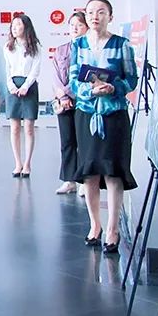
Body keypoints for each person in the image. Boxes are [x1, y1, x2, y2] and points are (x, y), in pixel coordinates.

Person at [70, 0, 138, 255]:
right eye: (90, 12)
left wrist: (113, 88)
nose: (94, 17)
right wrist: (89, 91)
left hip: (114, 115)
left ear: (110, 16)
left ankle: (112, 229)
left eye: (100, 12)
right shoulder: (78, 45)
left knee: (112, 171)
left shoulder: (122, 45)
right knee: (89, 172)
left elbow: (131, 79)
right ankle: (94, 225)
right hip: (87, 114)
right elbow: (73, 79)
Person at [52, 12, 88, 195]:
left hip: (83, 101)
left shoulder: (90, 50)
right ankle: (69, 180)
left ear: (86, 27)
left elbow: (86, 76)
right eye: (72, 24)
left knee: (83, 142)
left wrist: (68, 93)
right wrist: (63, 96)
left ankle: (84, 182)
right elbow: (56, 76)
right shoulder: (61, 50)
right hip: (63, 103)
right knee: (67, 142)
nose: (75, 28)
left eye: (79, 24)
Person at [4, 14, 42, 178]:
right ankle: (18, 163)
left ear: (26, 27)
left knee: (28, 128)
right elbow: (6, 69)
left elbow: (35, 70)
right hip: (13, 87)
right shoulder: (8, 47)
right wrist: (12, 87)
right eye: (13, 25)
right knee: (14, 128)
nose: (14, 28)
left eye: (18, 24)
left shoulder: (35, 47)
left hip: (29, 87)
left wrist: (26, 86)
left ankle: (27, 164)